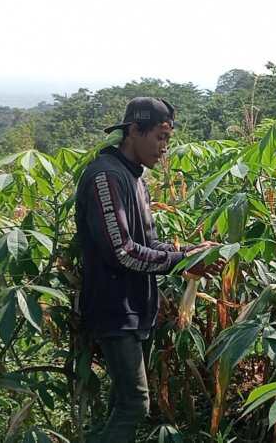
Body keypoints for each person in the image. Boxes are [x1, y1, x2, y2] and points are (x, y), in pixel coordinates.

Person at [75, 97, 220, 442]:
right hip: (115, 310)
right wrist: (179, 260)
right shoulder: (105, 177)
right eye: (159, 137)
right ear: (133, 132)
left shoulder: (134, 178)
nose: (164, 148)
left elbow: (150, 245)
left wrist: (189, 254)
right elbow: (122, 252)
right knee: (134, 404)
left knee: (120, 401)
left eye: (168, 140)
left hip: (135, 308)